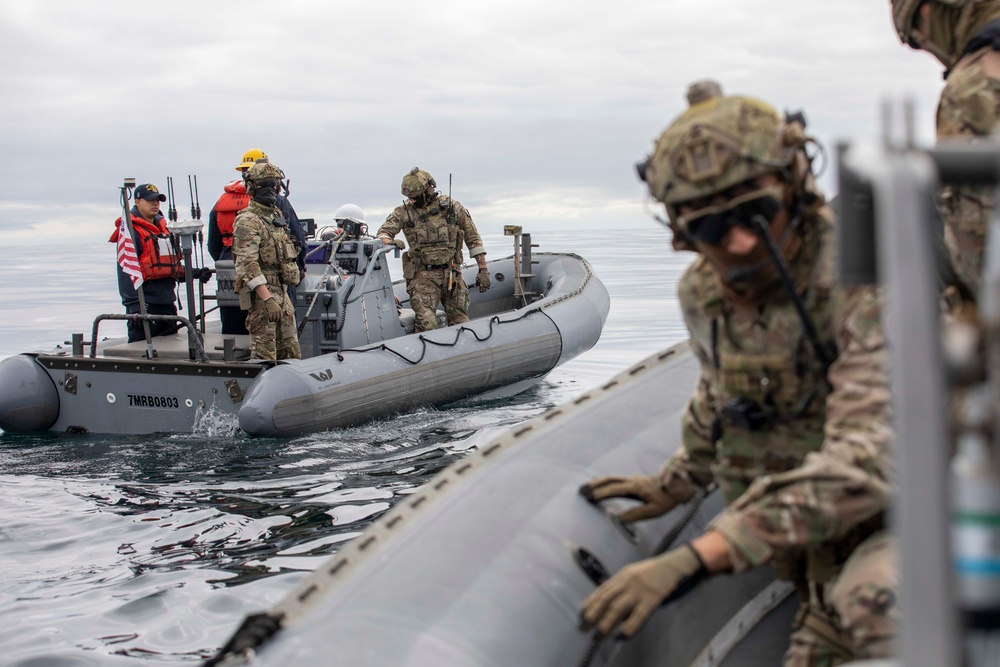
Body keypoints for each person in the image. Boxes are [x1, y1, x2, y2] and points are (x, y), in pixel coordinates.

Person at [578, 90, 898, 665]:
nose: (741, 242)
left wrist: (701, 555)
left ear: (793, 186)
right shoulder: (706, 294)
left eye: (756, 214)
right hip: (824, 564)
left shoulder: (865, 274)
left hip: (924, 532)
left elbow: (877, 452)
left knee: (874, 602)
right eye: (711, 227)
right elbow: (725, 397)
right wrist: (678, 481)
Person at [891, 0, 1000, 303]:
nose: (928, 46)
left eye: (917, 35)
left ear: (929, 10)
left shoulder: (974, 89)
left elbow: (980, 258)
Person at [376, 168, 490, 332]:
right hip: (423, 276)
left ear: (426, 190)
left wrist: (483, 269)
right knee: (426, 323)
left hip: (451, 274)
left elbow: (473, 239)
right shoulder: (404, 212)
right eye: (410, 198)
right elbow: (383, 233)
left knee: (461, 322)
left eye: (415, 197)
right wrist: (390, 242)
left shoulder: (452, 207)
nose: (412, 201)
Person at [208, 148, 307, 334]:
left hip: (230, 276)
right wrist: (297, 270)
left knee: (233, 332)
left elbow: (213, 245)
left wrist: (232, 262)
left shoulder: (221, 204)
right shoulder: (277, 202)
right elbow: (298, 240)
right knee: (279, 334)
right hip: (272, 280)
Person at [232, 159, 302, 360]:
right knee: (265, 354)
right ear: (252, 187)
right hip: (263, 298)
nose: (270, 189)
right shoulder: (248, 220)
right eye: (265, 184)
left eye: (274, 184)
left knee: (291, 351)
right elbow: (247, 264)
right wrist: (267, 299)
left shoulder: (275, 215)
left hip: (283, 292)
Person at [109, 183, 183, 342]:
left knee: (170, 348)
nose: (155, 203)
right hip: (145, 306)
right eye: (150, 200)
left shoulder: (165, 230)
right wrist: (134, 307)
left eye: (157, 200)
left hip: (168, 304)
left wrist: (193, 273)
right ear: (137, 202)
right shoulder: (131, 231)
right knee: (142, 349)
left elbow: (170, 265)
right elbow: (125, 270)